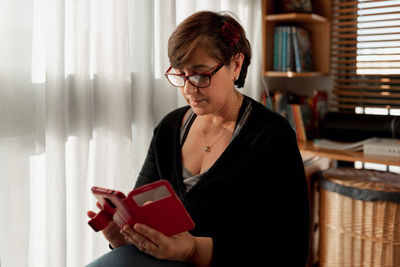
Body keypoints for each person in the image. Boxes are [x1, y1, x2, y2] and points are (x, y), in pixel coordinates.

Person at [87, 11, 310, 267]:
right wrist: (124, 236)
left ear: (236, 65)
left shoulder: (271, 136)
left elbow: (290, 250)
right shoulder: (170, 128)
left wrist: (193, 250)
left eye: (200, 75)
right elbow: (143, 212)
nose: (189, 89)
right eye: (180, 75)